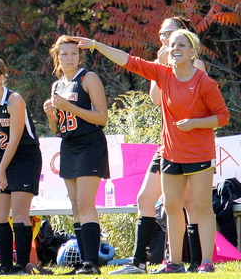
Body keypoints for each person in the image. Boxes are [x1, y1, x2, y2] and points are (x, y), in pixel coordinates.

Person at [74, 29, 229, 273]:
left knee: (202, 208)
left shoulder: (204, 82)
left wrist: (196, 123)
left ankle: (206, 263)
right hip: (170, 154)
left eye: (180, 45)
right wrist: (95, 44)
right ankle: (174, 263)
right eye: (171, 45)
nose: (174, 49)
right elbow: (128, 60)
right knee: (171, 208)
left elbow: (222, 117)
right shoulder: (163, 74)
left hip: (199, 154)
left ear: (192, 53)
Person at [110, 17, 204, 275]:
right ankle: (139, 262)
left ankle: (195, 262)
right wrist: (161, 66)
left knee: (189, 205)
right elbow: (155, 100)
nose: (164, 39)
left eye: (170, 33)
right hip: (166, 144)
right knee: (145, 199)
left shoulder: (198, 66)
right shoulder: (161, 65)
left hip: (191, 146)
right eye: (162, 34)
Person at [43, 35, 109, 275]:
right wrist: (52, 114)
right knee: (75, 205)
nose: (69, 57)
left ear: (80, 55)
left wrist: (69, 107)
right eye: (64, 53)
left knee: (85, 203)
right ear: (57, 57)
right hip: (69, 146)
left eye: (73, 53)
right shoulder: (57, 85)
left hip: (90, 144)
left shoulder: (88, 78)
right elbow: (57, 129)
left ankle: (92, 263)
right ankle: (83, 263)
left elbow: (102, 117)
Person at [0, 58, 42, 275]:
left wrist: (2, 169)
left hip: (25, 157)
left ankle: (21, 265)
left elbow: (14, 139)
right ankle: (4, 265)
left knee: (20, 212)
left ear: (1, 77)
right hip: (2, 160)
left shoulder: (14, 100)